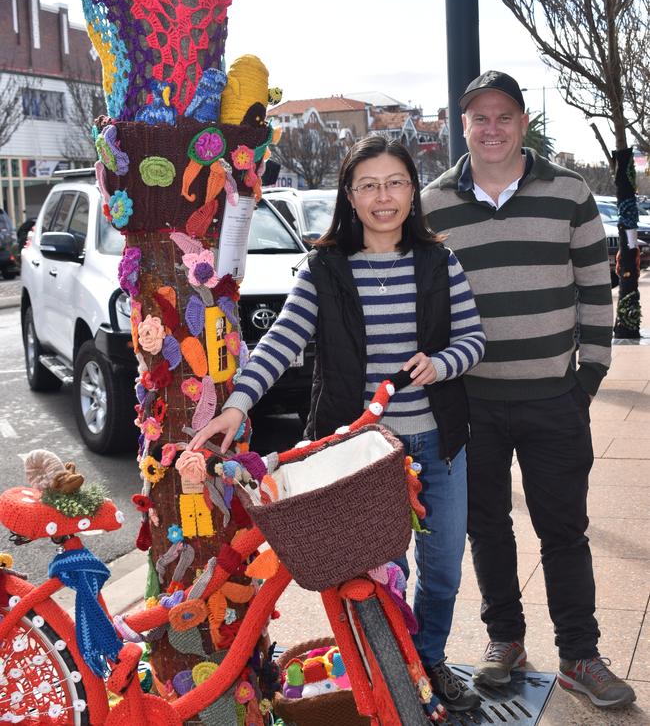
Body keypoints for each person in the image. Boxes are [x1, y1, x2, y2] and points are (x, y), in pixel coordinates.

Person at [189, 135, 486, 711]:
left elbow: (473, 340)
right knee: (378, 576)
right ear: (349, 195)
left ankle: (426, 663)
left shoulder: (438, 260)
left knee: (443, 570)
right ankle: (389, 675)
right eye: (368, 185)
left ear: (412, 192)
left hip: (435, 440)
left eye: (395, 183)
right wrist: (238, 403)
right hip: (359, 454)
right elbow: (281, 341)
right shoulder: (324, 268)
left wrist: (440, 363)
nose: (383, 197)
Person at [421, 70, 636, 710]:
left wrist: (587, 378)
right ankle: (505, 640)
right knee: (486, 527)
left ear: (522, 122)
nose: (491, 128)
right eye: (478, 118)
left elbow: (597, 291)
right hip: (472, 402)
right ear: (463, 126)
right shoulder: (433, 205)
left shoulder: (568, 194)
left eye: (503, 116)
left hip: (553, 398)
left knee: (563, 529)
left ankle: (579, 655)